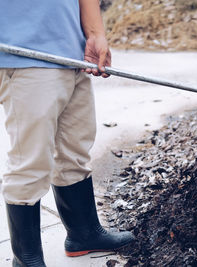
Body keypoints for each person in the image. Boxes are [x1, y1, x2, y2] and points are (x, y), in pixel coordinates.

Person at [0, 0, 134, 266]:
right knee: (30, 161)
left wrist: (96, 35)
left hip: (73, 55)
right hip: (23, 57)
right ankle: (26, 259)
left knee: (74, 150)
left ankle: (83, 234)